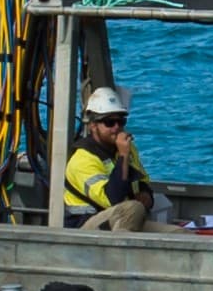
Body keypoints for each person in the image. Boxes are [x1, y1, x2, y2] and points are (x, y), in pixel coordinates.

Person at [64, 85, 157, 231]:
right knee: (133, 208)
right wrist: (123, 156)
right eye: (109, 122)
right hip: (85, 226)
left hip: (122, 219)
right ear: (93, 126)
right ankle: (122, 252)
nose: (116, 127)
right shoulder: (82, 159)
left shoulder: (128, 148)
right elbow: (112, 199)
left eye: (121, 122)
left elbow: (142, 181)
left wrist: (146, 195)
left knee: (179, 234)